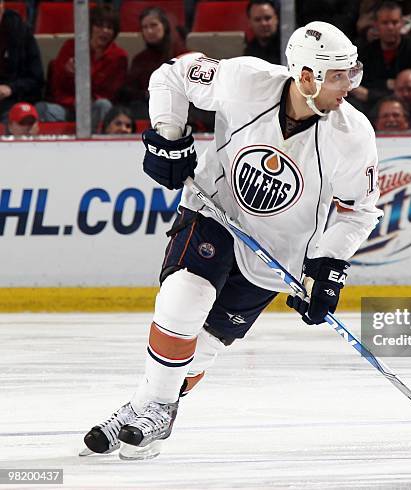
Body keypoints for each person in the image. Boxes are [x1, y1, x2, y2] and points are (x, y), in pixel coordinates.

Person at [82, 21, 383, 460]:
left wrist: (328, 266)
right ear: (305, 76)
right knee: (184, 296)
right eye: (338, 76)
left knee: (201, 348)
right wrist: (168, 136)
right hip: (215, 211)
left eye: (350, 74)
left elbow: (360, 211)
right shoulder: (246, 81)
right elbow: (171, 73)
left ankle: (142, 408)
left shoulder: (353, 135)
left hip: (277, 253)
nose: (348, 86)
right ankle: (159, 409)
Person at [36, 6, 127, 131]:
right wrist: (67, 74)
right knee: (42, 109)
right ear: (90, 27)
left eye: (110, 28)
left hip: (94, 108)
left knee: (104, 105)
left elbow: (112, 93)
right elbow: (56, 88)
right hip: (67, 108)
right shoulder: (70, 47)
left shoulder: (119, 56)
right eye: (99, 26)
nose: (104, 31)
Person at [351, 1, 411, 114]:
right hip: (371, 109)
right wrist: (388, 84)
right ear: (376, 25)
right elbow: (360, 86)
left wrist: (371, 93)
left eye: (394, 22)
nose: (390, 27)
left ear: (402, 23)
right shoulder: (365, 52)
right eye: (385, 23)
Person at [116, 7, 187, 119]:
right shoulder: (140, 59)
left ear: (165, 26)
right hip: (147, 108)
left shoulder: (182, 54)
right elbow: (128, 92)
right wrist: (146, 95)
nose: (149, 31)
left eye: (153, 25)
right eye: (145, 27)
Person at [0, 0, 44, 121]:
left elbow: (36, 80)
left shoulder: (21, 33)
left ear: (2, 6)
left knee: (11, 117)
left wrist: (11, 88)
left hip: (14, 99)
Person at [243, 0, 280, 65]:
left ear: (276, 18)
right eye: (257, 19)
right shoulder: (249, 52)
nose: (263, 23)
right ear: (249, 22)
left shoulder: (291, 46)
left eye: (267, 18)